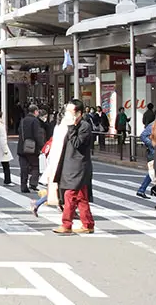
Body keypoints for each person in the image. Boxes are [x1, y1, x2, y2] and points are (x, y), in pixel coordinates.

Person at [52, 100, 96, 235]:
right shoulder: (71, 126)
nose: (67, 115)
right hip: (71, 166)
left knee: (69, 195)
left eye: (70, 112)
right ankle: (88, 224)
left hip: (79, 167)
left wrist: (71, 127)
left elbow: (77, 144)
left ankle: (66, 224)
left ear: (79, 113)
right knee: (81, 197)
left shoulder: (84, 126)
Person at [17, 105, 48, 193]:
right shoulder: (35, 121)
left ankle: (23, 186)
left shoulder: (23, 120)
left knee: (23, 168)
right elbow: (38, 135)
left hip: (22, 147)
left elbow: (19, 131)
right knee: (35, 166)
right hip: (32, 147)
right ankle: (33, 183)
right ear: (35, 112)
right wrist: (42, 146)